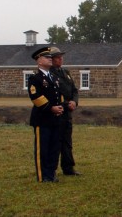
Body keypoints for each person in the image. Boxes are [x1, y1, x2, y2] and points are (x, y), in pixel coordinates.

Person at [28, 46, 64, 182]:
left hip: (55, 118)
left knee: (54, 147)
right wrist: (51, 108)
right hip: (42, 119)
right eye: (46, 57)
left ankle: (52, 173)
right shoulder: (35, 78)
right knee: (42, 149)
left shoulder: (54, 77)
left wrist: (61, 107)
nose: (50, 59)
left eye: (50, 57)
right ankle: (43, 176)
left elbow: (58, 95)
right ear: (39, 61)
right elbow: (36, 97)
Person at [51, 47, 81, 176]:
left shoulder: (66, 73)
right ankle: (51, 169)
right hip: (57, 113)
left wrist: (74, 101)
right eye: (57, 57)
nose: (60, 59)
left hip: (68, 113)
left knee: (67, 142)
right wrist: (65, 103)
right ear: (51, 60)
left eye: (61, 57)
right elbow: (54, 95)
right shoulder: (50, 75)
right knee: (55, 143)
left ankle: (68, 168)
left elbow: (74, 90)